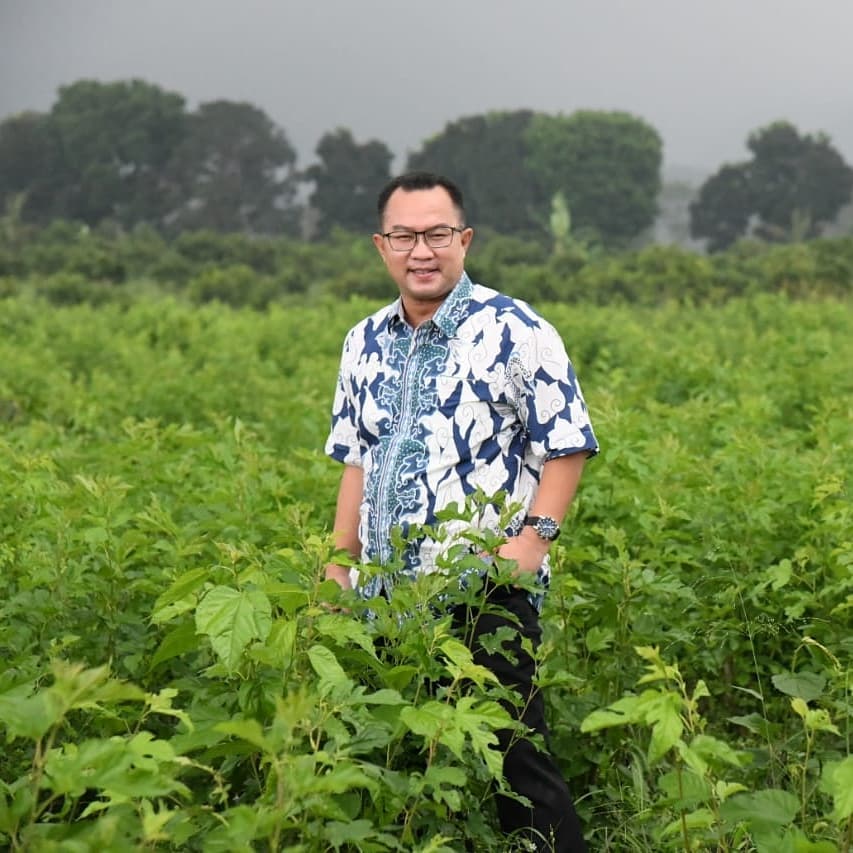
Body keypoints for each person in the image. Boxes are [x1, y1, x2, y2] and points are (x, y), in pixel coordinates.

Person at [324, 171, 598, 852]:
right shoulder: (363, 340)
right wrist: (337, 561)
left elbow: (566, 443)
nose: (422, 250)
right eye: (405, 236)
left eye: (437, 234)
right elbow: (356, 455)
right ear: (381, 245)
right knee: (386, 757)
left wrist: (530, 546)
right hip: (383, 596)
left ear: (464, 239)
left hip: (483, 591)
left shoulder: (514, 328)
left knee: (514, 757)